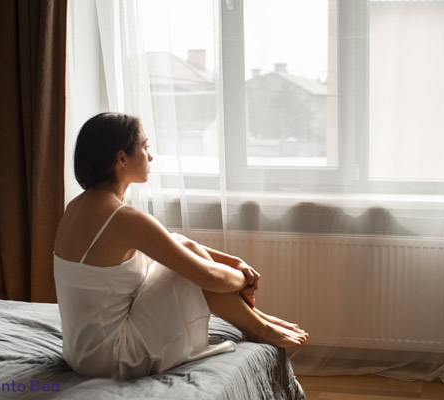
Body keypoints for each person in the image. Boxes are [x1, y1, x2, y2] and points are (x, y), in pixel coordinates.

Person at [53, 112, 307, 379]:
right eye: (145, 147)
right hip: (113, 358)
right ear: (122, 158)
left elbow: (172, 242)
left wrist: (235, 263)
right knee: (192, 268)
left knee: (181, 245)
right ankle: (259, 328)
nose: (151, 157)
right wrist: (243, 278)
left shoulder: (78, 206)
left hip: (81, 353)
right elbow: (207, 277)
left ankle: (258, 322)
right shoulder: (123, 219)